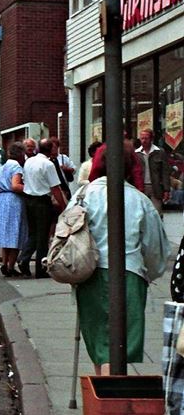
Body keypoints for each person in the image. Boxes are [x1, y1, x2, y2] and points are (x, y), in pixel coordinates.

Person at [76, 147, 171, 375]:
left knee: (99, 344)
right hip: (130, 275)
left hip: (90, 274)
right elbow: (156, 249)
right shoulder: (140, 201)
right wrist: (149, 272)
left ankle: (101, 401)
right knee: (119, 347)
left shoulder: (83, 196)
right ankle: (112, 403)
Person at [17, 138, 67, 278]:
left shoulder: (29, 161)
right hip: (42, 201)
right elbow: (55, 188)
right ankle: (41, 269)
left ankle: (23, 259)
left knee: (33, 233)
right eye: (54, 148)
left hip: (28, 200)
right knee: (43, 236)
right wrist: (63, 205)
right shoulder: (48, 164)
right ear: (50, 149)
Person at [0, 143, 28, 277]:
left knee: (5, 236)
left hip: (0, 200)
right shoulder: (16, 166)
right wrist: (31, 188)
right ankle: (11, 267)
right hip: (13, 201)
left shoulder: (2, 167)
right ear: (20, 154)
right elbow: (15, 186)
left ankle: (4, 263)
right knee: (14, 235)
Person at [135, 128, 171, 215]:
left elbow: (165, 172)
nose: (144, 141)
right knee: (141, 213)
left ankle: (158, 228)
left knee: (157, 212)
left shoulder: (159, 152)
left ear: (151, 139)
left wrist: (166, 190)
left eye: (146, 138)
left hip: (156, 186)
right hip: (141, 187)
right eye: (142, 138)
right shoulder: (136, 153)